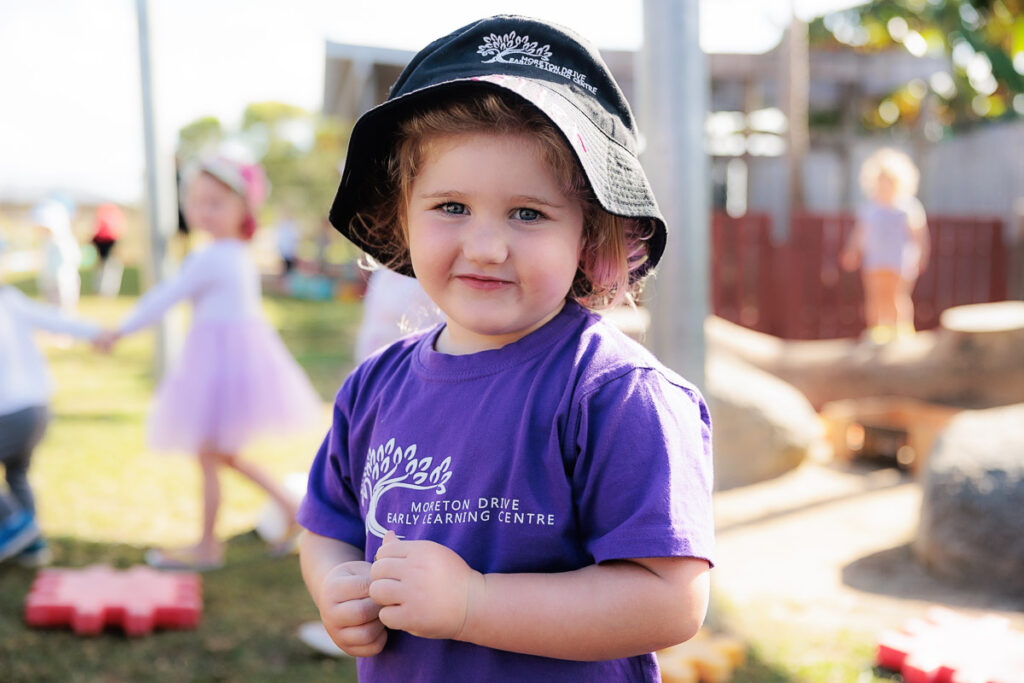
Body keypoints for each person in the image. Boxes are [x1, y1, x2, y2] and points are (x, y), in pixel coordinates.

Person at [297, 15, 714, 682]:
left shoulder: (614, 393)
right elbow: (329, 524)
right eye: (451, 207)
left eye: (528, 213)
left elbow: (671, 598)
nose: (486, 246)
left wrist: (473, 602)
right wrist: (334, 582)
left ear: (591, 234)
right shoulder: (372, 389)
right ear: (402, 213)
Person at [98, 155, 323, 571]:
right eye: (198, 201)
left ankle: (208, 545)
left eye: (216, 202)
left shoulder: (215, 257)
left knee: (212, 455)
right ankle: (290, 508)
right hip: (227, 360)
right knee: (222, 455)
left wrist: (120, 330)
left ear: (244, 208)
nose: (203, 210)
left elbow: (166, 297)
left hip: (221, 366)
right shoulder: (230, 252)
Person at [0, 244, 104, 565]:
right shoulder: (11, 299)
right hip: (38, 410)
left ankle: (17, 526)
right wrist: (98, 332)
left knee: (16, 474)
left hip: (8, 412)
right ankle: (32, 546)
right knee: (17, 473)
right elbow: (55, 319)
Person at [840, 147, 929, 343]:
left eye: (888, 181)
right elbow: (860, 233)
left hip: (899, 261)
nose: (884, 185)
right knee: (875, 297)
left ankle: (902, 332)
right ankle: (878, 331)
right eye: (881, 181)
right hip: (875, 260)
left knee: (897, 296)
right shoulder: (869, 208)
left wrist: (922, 256)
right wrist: (852, 251)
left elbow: (920, 235)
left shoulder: (908, 207)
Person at [31, 199, 82, 313]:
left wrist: (63, 275)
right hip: (49, 281)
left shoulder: (64, 241)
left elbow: (73, 259)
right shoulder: (46, 241)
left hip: (63, 283)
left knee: (65, 311)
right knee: (51, 310)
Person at [90, 203, 125, 297]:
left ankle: (105, 290)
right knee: (106, 267)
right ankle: (104, 290)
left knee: (106, 266)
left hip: (105, 241)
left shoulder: (104, 210)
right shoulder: (111, 211)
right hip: (106, 241)